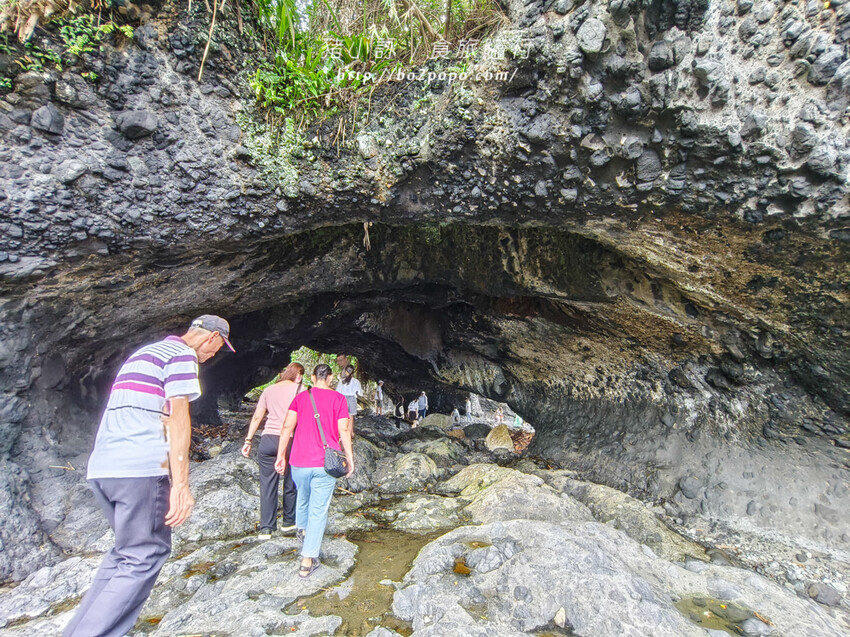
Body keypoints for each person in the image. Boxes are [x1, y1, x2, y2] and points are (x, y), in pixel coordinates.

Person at [64, 315, 234, 637]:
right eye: (218, 348)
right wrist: (181, 486)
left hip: (104, 468)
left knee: (124, 555)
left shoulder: (145, 353)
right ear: (212, 338)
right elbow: (179, 419)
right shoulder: (182, 355)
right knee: (145, 555)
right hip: (139, 470)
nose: (214, 355)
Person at [274, 364, 354, 578]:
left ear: (312, 377)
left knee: (303, 497)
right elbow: (344, 429)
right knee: (318, 510)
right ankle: (307, 560)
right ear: (330, 377)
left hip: (299, 461)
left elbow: (287, 427)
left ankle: (303, 530)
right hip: (325, 463)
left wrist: (281, 455)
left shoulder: (300, 398)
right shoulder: (339, 399)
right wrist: (349, 457)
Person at [241, 362, 304, 538]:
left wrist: (248, 440)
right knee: (291, 482)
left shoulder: (269, 390)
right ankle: (289, 522)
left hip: (268, 439)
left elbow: (257, 416)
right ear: (298, 375)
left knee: (267, 484)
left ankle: (266, 528)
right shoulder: (302, 390)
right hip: (291, 439)